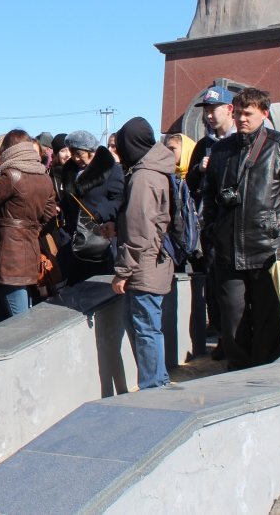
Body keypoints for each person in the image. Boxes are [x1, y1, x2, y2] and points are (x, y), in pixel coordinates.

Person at [203, 88, 280, 370]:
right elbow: (209, 196)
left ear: (264, 113)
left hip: (269, 251)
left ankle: (266, 377)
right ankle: (238, 373)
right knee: (232, 320)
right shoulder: (221, 150)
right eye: (237, 112)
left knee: (268, 323)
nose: (241, 119)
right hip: (228, 252)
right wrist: (212, 230)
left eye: (247, 113)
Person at [110, 118, 177, 390]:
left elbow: (139, 232)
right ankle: (157, 379)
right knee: (143, 325)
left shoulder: (142, 177)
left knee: (146, 329)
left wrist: (122, 272)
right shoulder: (157, 169)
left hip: (144, 264)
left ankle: (152, 387)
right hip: (155, 259)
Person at [0, 131, 57, 318]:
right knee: (3, 318)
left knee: (19, 320)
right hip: (30, 251)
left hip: (10, 255)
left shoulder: (11, 176)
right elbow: (50, 218)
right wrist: (31, 232)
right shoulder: (45, 178)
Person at [183, 85, 237, 360]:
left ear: (229, 109)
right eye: (205, 111)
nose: (209, 116)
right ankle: (221, 336)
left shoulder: (242, 140)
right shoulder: (204, 144)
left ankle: (236, 339)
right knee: (214, 284)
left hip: (237, 225)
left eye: (213, 110)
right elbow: (190, 185)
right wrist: (199, 169)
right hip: (209, 224)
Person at [60, 130, 124, 284]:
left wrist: (99, 213)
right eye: (73, 152)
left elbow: (118, 200)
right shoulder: (69, 170)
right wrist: (60, 208)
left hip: (99, 237)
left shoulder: (111, 169)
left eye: (80, 154)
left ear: (92, 152)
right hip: (72, 238)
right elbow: (69, 200)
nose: (76, 158)